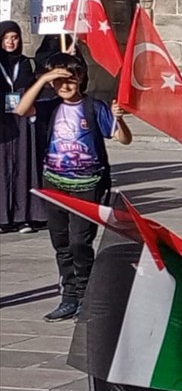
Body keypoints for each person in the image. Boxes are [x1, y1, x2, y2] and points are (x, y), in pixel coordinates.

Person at [14, 53, 132, 320]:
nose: (65, 86)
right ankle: (69, 295)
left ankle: (86, 294)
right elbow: (21, 110)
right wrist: (43, 78)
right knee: (61, 242)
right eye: (59, 81)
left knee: (80, 241)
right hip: (54, 182)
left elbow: (123, 138)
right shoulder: (49, 106)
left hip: (87, 184)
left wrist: (119, 118)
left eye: (70, 79)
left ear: (80, 79)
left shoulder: (94, 106)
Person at [0, 22, 41, 233]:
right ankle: (2, 217)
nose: (10, 42)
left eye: (14, 37)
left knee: (25, 164)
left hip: (22, 118)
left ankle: (24, 215)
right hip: (1, 121)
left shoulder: (25, 63)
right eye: (6, 38)